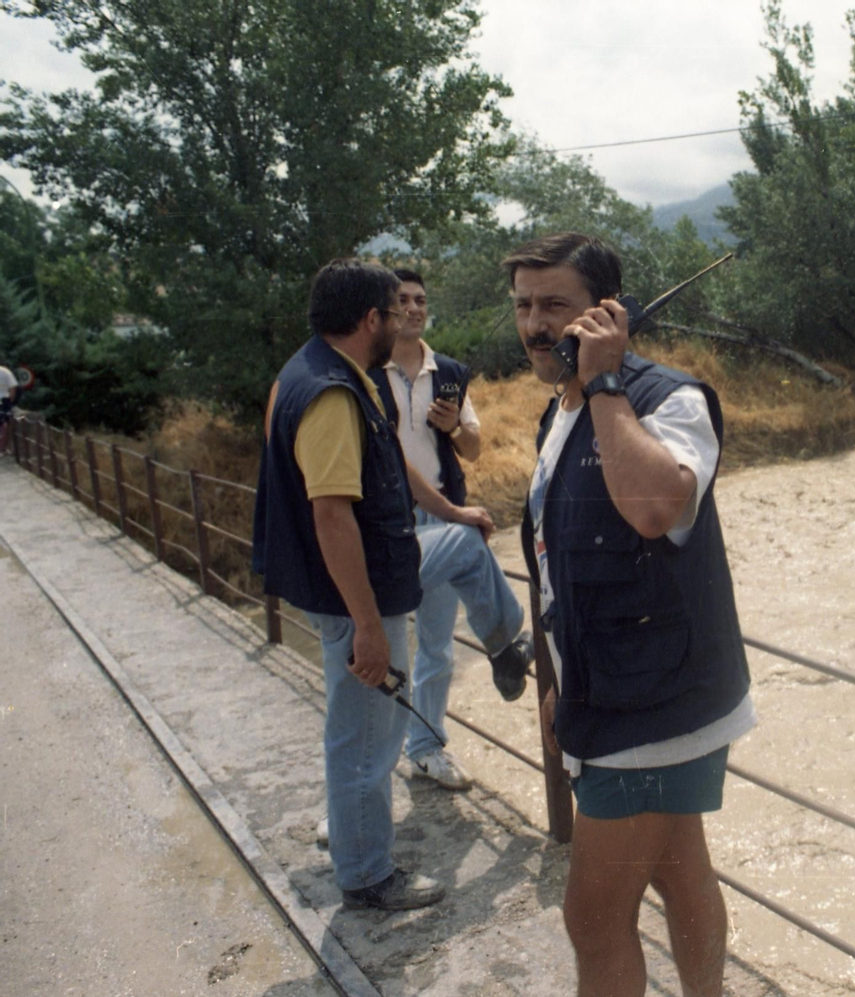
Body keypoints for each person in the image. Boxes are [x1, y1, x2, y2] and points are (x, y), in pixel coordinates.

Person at [508, 232, 754, 997]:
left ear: (606, 312)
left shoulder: (668, 400)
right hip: (613, 691)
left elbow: (653, 509)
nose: (536, 325)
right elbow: (559, 564)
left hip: (652, 706)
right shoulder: (560, 412)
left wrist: (607, 381)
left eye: (556, 304)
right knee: (680, 870)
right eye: (524, 305)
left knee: (592, 917)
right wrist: (560, 680)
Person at [250, 259, 529, 911]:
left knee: (462, 543)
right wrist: (370, 628)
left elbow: (394, 460)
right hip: (357, 593)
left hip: (382, 564)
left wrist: (452, 510)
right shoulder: (329, 395)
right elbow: (331, 514)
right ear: (371, 318)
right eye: (395, 310)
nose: (405, 319)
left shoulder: (328, 373)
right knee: (368, 738)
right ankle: (367, 875)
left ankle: (504, 646)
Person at [372, 267, 495, 790]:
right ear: (386, 308)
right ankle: (372, 766)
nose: (414, 308)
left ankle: (425, 747)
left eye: (421, 299)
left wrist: (453, 428)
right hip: (386, 522)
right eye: (403, 299)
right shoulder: (367, 372)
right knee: (383, 647)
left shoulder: (447, 372)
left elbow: (474, 447)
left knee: (437, 644)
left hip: (442, 515)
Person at [0, 362, 18, 452]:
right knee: (4, 423)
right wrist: (10, 401)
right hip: (4, 400)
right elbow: (13, 388)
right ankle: (2, 447)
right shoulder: (5, 371)